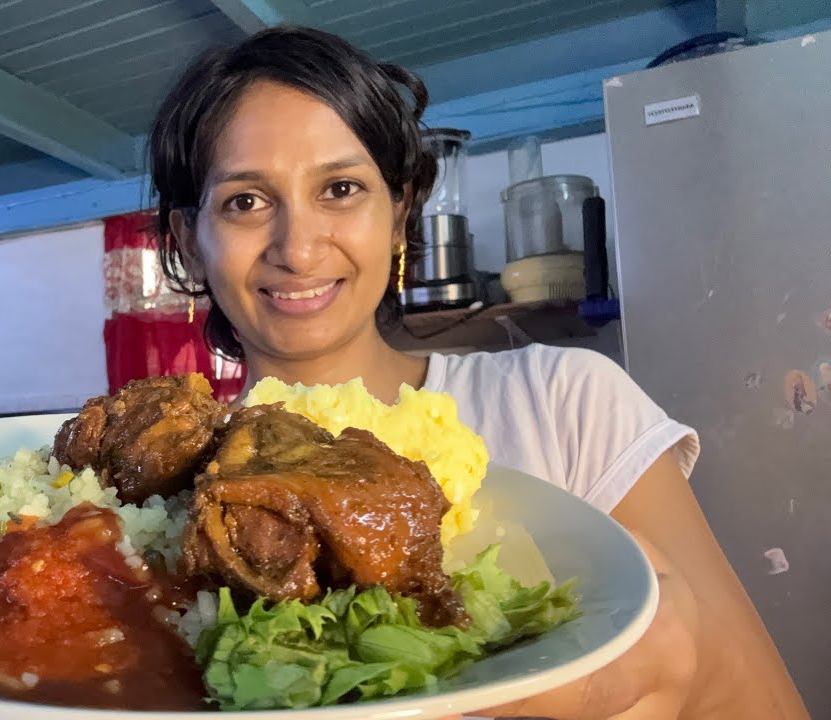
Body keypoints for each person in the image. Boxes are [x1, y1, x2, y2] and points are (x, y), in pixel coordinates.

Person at [148, 26, 809, 720]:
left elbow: (767, 704)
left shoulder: (563, 403)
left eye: (341, 188)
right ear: (192, 243)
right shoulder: (161, 488)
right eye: (245, 201)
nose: (299, 246)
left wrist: (682, 671)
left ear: (400, 212)